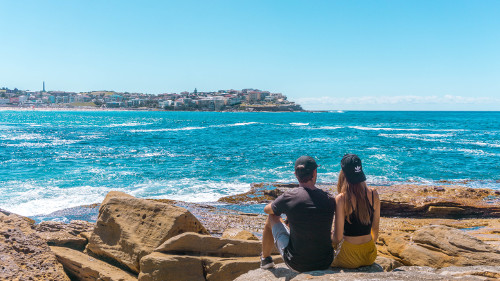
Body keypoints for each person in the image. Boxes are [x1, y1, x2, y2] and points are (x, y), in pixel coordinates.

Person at [260, 156, 335, 272]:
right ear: (315, 172)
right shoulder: (329, 198)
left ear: (296, 174)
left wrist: (281, 207)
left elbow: (267, 210)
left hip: (297, 264)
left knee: (272, 216)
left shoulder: (290, 197)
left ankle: (265, 259)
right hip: (325, 262)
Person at [331, 153, 380, 268]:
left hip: (348, 257)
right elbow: (375, 229)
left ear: (343, 174)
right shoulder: (374, 194)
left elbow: (337, 238)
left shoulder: (341, 199)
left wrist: (328, 236)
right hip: (369, 255)